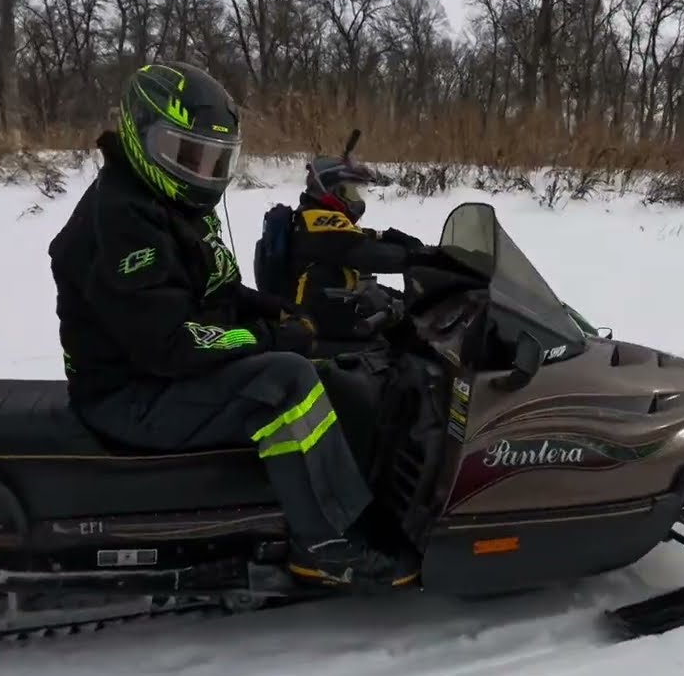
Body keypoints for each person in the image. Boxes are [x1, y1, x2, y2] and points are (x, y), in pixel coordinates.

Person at [46, 60, 418, 590]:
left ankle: (355, 501)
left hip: (154, 374)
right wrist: (268, 338)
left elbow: (210, 291)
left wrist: (273, 311)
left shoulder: (161, 202)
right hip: (130, 394)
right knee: (286, 383)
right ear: (141, 134)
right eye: (188, 156)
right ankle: (326, 544)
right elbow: (171, 341)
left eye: (215, 160)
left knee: (328, 365)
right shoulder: (123, 225)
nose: (202, 173)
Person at [253, 153, 429, 352]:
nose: (357, 200)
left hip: (331, 306)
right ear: (333, 191)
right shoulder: (319, 224)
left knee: (402, 307)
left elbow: (352, 238)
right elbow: (367, 254)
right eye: (351, 192)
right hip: (321, 319)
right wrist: (419, 257)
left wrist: (387, 235)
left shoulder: (309, 219)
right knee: (413, 331)